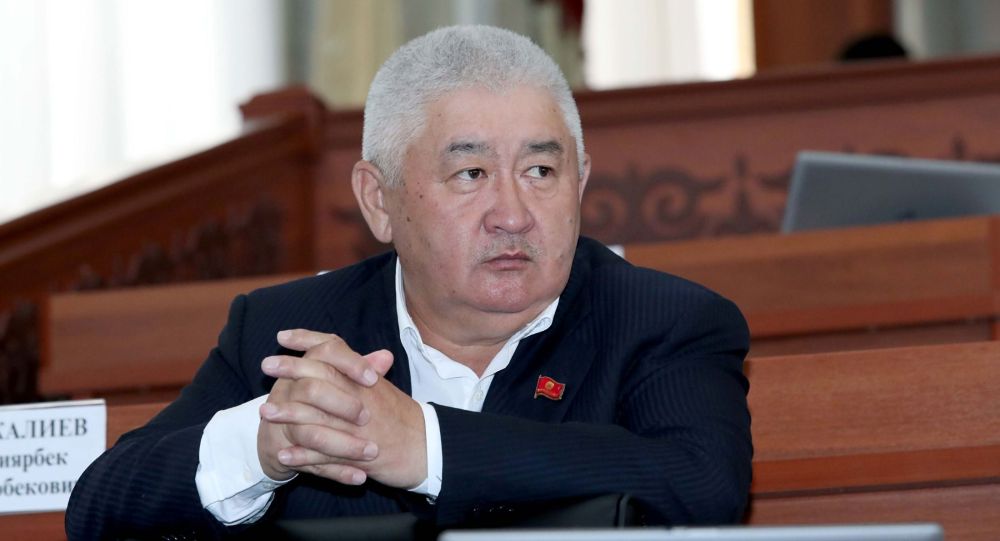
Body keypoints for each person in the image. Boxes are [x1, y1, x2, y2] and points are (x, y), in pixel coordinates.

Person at [66, 25, 751, 540]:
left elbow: (702, 483)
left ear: (581, 181)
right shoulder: (288, 333)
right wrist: (265, 443)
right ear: (378, 200)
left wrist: (423, 443)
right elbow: (99, 507)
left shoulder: (663, 321)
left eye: (541, 171)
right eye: (471, 174)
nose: (513, 213)